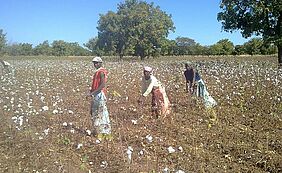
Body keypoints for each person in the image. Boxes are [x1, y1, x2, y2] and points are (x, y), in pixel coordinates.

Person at [87, 56, 112, 141]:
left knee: (102, 113)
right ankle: (99, 132)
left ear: (100, 63)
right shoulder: (97, 72)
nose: (95, 64)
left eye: (96, 63)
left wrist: (92, 93)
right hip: (96, 94)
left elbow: (102, 85)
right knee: (95, 113)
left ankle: (105, 133)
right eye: (94, 63)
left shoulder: (101, 72)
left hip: (99, 94)